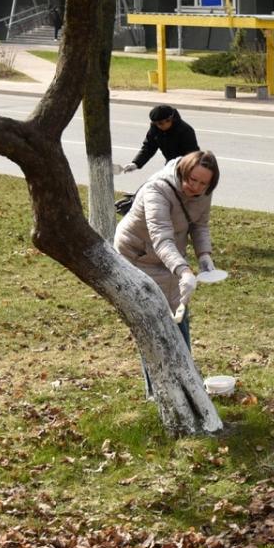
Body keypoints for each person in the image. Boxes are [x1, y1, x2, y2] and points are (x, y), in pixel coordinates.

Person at [113, 151, 220, 395]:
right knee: (152, 322)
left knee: (178, 313)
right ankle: (158, 391)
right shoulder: (157, 190)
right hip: (137, 255)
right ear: (183, 170)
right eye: (192, 180)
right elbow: (160, 238)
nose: (196, 187)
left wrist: (205, 255)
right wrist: (183, 270)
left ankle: (186, 382)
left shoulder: (204, 191)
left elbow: (199, 224)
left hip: (169, 258)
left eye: (204, 183)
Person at [119, 105, 200, 174]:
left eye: (160, 123)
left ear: (170, 119)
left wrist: (183, 170)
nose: (158, 126)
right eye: (155, 123)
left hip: (186, 168)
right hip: (170, 165)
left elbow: (192, 154)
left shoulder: (185, 130)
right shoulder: (156, 129)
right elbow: (148, 148)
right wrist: (136, 163)